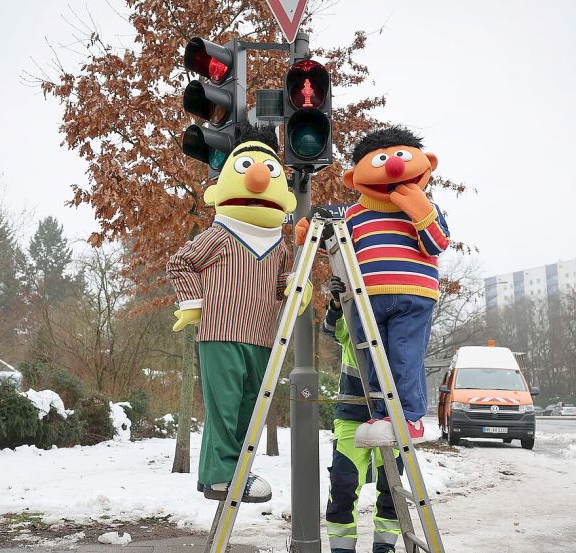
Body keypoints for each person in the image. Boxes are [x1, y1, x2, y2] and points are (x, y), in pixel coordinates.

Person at [167, 123, 311, 503]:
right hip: (222, 333)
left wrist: (298, 287)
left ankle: (228, 472)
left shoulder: (279, 245)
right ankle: (220, 476)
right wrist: (193, 303)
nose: (260, 179)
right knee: (224, 406)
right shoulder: (220, 234)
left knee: (252, 406)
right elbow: (180, 262)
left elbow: (283, 281)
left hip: (263, 336)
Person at [297, 126, 449, 446]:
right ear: (354, 178)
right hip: (367, 298)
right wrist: (311, 235)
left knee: (404, 356)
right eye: (381, 159)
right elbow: (340, 245)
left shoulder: (427, 208)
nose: (393, 166)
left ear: (426, 163)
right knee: (372, 359)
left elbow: (437, 243)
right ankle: (382, 413)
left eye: (401, 157)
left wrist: (418, 207)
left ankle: (409, 417)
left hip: (414, 295)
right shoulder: (354, 214)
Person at [323, 275, 402, 553]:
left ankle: (385, 547)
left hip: (389, 417)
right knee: (343, 485)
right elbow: (332, 329)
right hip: (351, 414)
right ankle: (342, 549)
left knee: (392, 490)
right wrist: (336, 303)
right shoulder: (355, 322)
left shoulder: (399, 328)